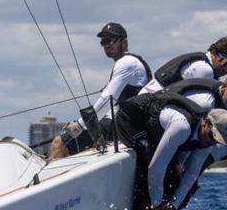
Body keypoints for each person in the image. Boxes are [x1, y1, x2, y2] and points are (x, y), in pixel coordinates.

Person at [115, 91, 227, 210]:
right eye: (212, 136)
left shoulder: (207, 140)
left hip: (152, 129)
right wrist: (157, 205)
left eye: (217, 140)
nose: (212, 141)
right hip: (131, 118)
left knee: (174, 177)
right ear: (205, 122)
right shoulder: (182, 127)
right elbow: (156, 167)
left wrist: (173, 206)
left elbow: (191, 175)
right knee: (147, 164)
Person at [48, 22, 150, 158]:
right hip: (125, 123)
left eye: (111, 40)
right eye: (103, 42)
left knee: (59, 143)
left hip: (121, 125)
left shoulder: (126, 63)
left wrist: (78, 126)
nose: (107, 45)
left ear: (124, 41)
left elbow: (107, 100)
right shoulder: (131, 63)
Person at [139, 35, 227, 95]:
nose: (226, 68)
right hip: (148, 103)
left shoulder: (202, 62)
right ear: (214, 52)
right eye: (224, 62)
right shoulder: (204, 70)